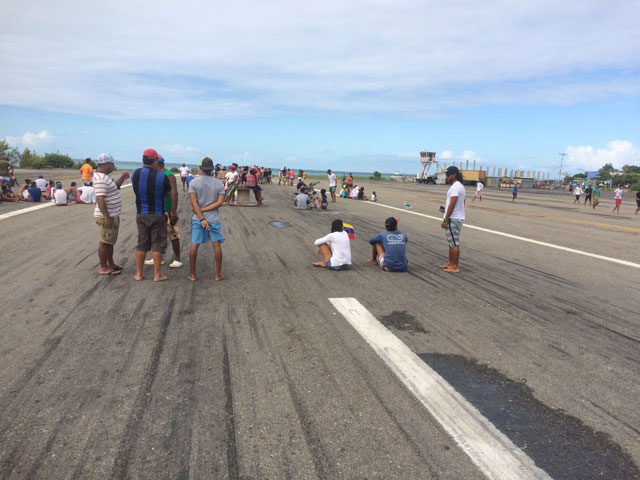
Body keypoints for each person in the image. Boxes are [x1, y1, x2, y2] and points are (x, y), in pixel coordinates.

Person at [131, 148, 171, 281]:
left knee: (141, 243)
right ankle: (157, 274)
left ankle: (139, 274)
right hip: (157, 214)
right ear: (155, 160)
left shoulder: (135, 174)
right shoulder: (161, 176)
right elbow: (167, 194)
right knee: (157, 244)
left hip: (141, 213)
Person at [188, 157, 226, 282]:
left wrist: (201, 214)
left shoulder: (194, 183)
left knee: (195, 244)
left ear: (200, 168)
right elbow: (220, 202)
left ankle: (192, 274)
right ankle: (218, 274)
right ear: (213, 169)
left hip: (198, 218)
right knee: (216, 245)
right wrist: (205, 211)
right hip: (214, 218)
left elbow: (194, 204)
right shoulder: (219, 183)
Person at [93, 153, 129, 275]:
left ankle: (111, 264)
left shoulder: (105, 177)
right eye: (111, 164)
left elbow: (115, 187)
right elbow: (100, 199)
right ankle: (104, 267)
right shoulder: (101, 179)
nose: (113, 166)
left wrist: (123, 178)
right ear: (105, 164)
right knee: (105, 242)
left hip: (112, 215)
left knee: (110, 241)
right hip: (106, 216)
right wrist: (107, 217)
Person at [144, 156, 182, 268]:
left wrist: (173, 211)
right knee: (156, 235)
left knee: (173, 234)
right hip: (157, 209)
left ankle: (177, 259)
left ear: (157, 163)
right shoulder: (154, 174)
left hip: (167, 209)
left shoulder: (168, 174)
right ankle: (158, 258)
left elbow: (174, 193)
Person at [440, 166, 466, 273]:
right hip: (456, 216)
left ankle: (455, 266)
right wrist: (445, 210)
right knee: (451, 242)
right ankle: (450, 263)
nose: (446, 178)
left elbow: (453, 202)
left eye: (448, 175)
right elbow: (462, 203)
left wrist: (446, 219)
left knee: (454, 243)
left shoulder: (456, 187)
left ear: (453, 175)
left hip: (453, 219)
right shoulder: (460, 186)